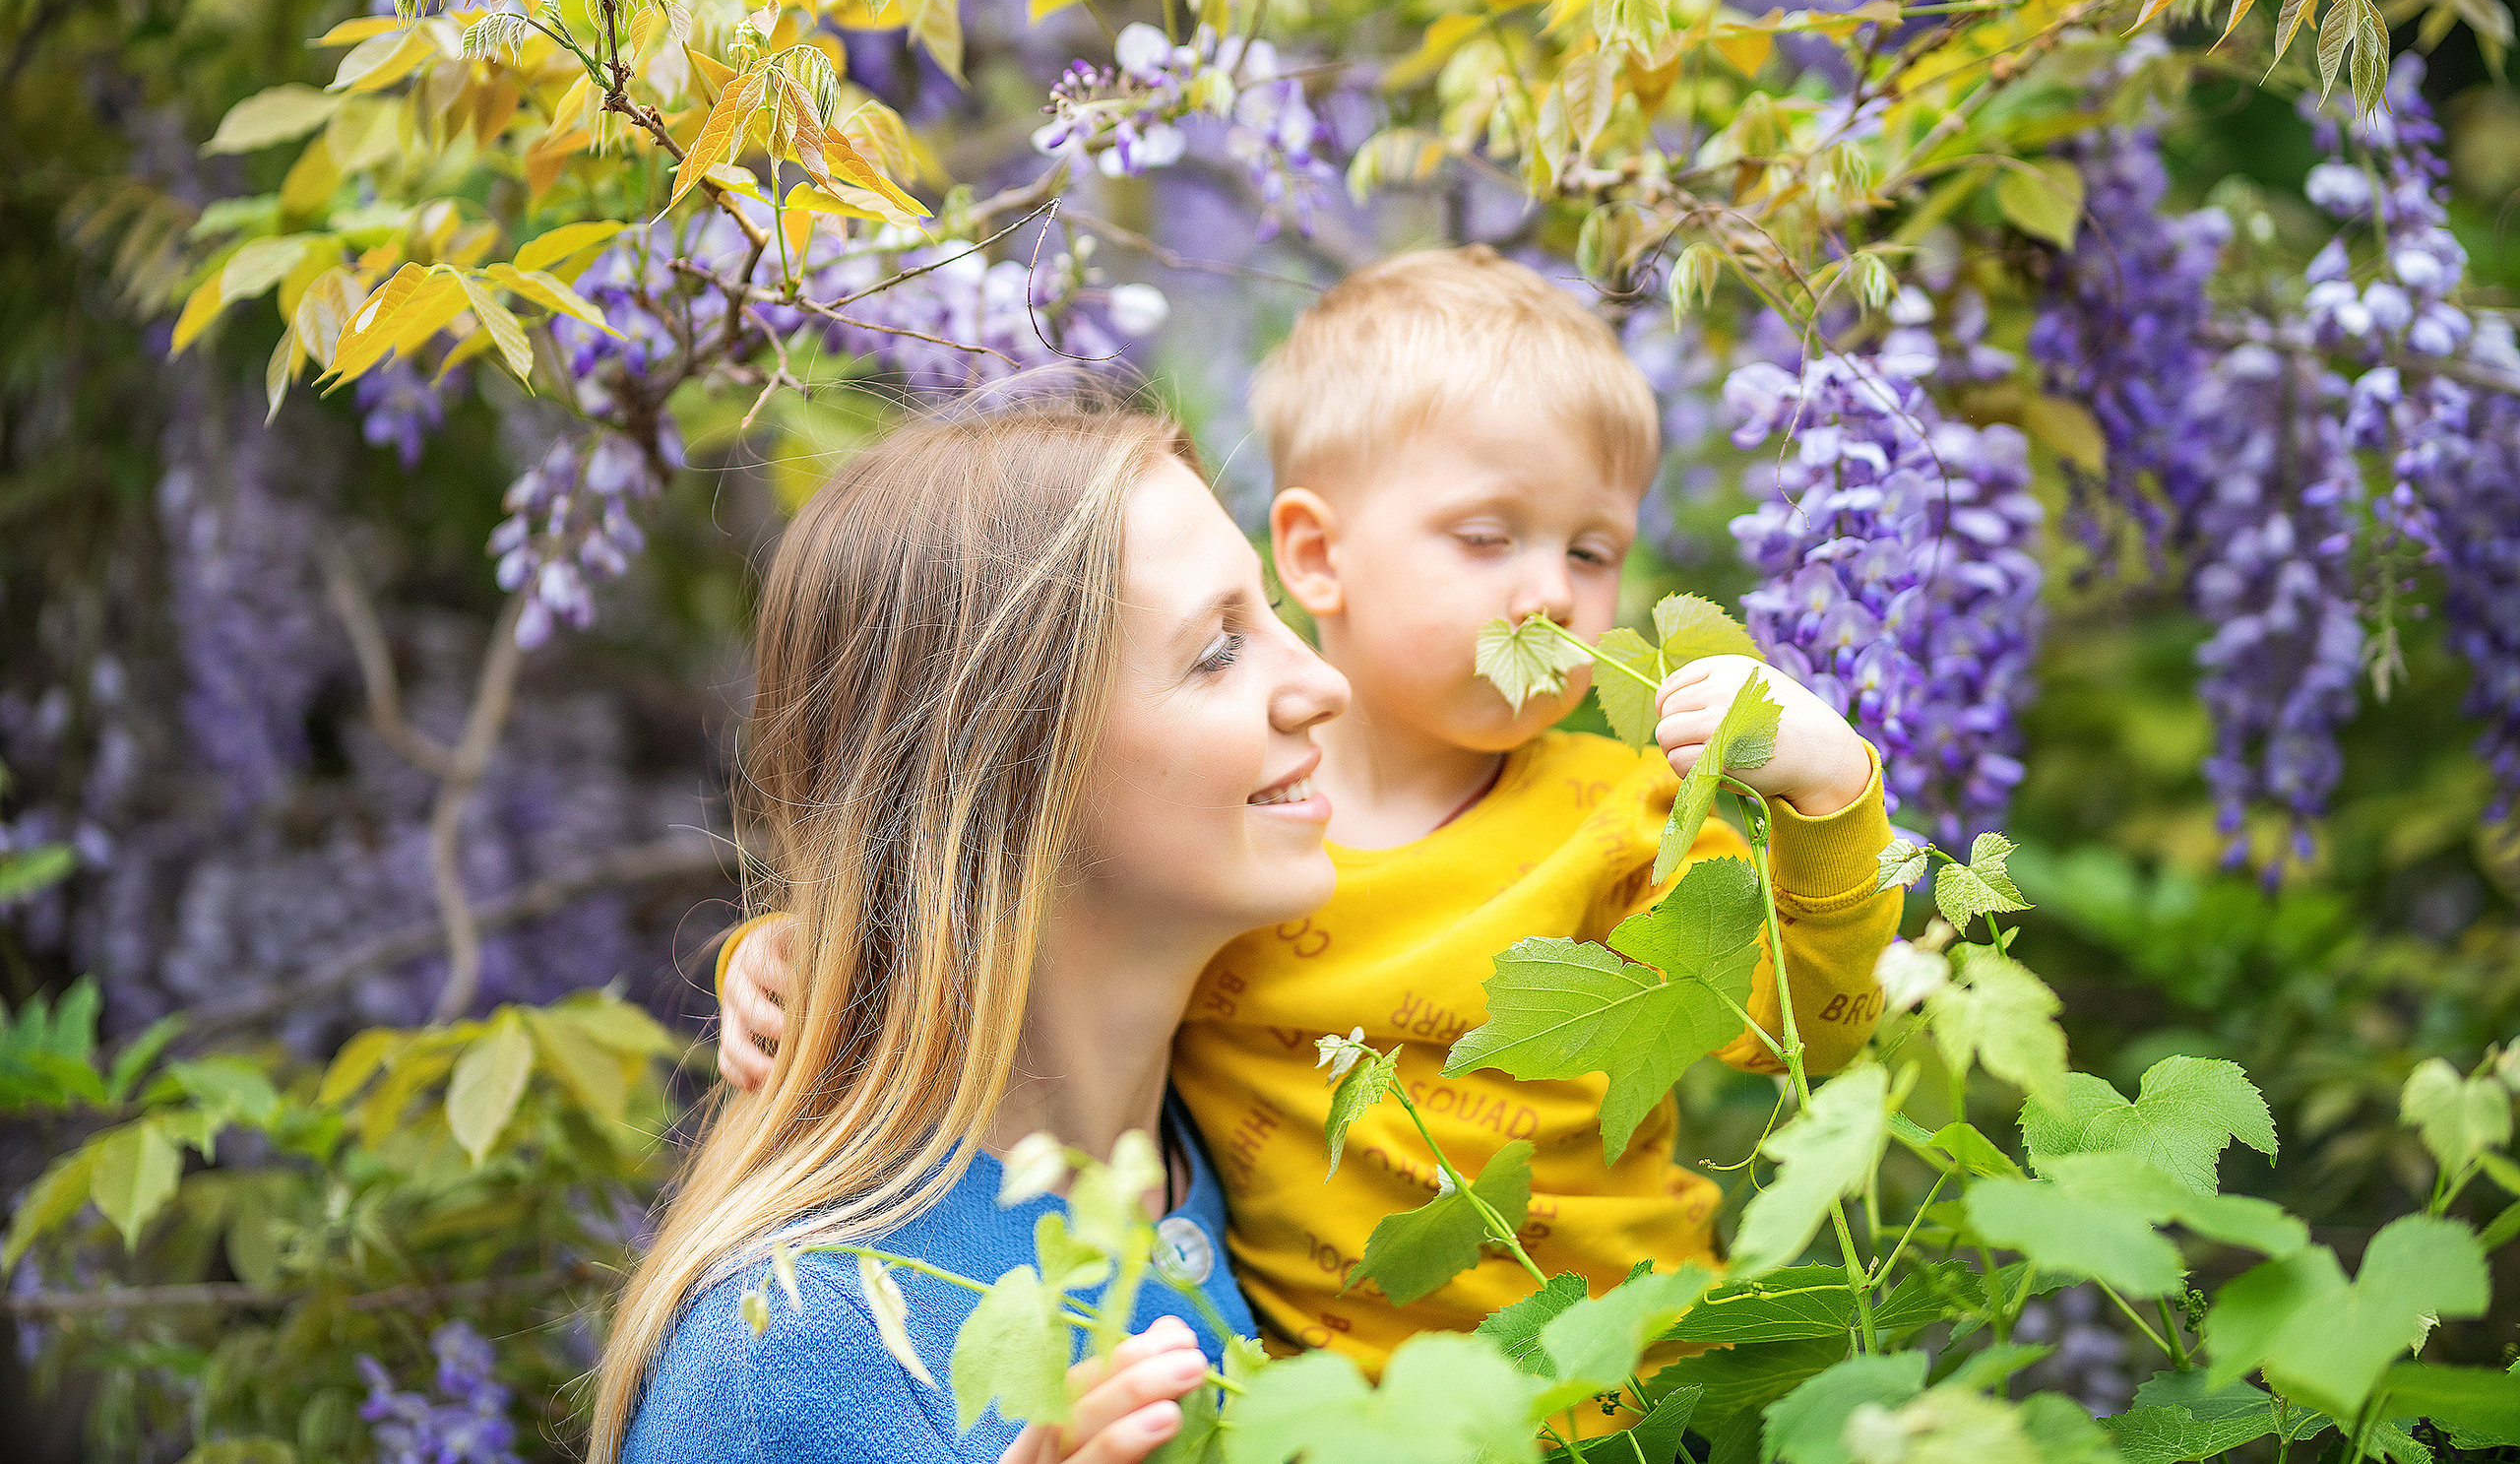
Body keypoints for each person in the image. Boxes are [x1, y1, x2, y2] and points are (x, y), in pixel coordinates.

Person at [716, 249, 1904, 1386]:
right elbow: (1010, 903)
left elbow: (1802, 1031)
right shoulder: (1245, 833)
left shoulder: (1626, 814)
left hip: (1619, 1385)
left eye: (1593, 550)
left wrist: (1828, 800)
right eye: (1488, 536)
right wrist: (805, 954)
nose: (1549, 591)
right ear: (1317, 554)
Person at [593, 391, 1350, 1464]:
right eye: (1219, 651)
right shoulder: (794, 1356)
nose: (1324, 682)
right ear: (1009, 771)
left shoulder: (1264, 1098)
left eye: (1276, 618)